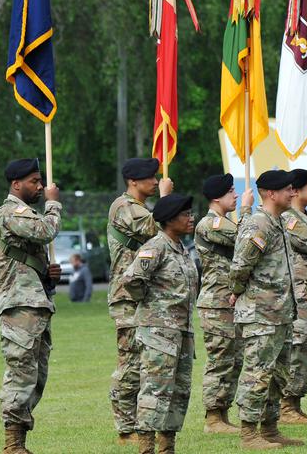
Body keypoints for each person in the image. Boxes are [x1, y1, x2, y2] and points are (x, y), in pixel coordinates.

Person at [0, 158, 62, 454]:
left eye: (41, 181)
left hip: (34, 303)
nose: (41, 186)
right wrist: (54, 204)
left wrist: (48, 274)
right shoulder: (10, 213)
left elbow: (26, 262)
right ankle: (12, 446)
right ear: (16, 184)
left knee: (36, 376)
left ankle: (19, 443)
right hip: (18, 305)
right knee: (21, 373)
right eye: (34, 181)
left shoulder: (25, 214)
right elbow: (46, 230)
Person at [120, 193, 198, 454]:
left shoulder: (180, 248)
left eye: (191, 213)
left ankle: (167, 448)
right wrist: (152, 304)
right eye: (186, 214)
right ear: (169, 219)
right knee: (155, 391)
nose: (191, 218)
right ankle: (146, 448)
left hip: (182, 331)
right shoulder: (156, 246)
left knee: (179, 391)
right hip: (159, 332)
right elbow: (132, 279)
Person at [230, 170, 302, 449]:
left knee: (277, 375)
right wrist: (236, 293)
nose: (292, 193)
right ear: (271, 193)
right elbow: (240, 267)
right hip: (261, 314)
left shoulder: (278, 222)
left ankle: (270, 429)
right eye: (288, 189)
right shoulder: (258, 224)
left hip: (280, 312)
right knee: (257, 374)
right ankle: (249, 433)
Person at [106, 157, 172, 445]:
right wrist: (168, 199)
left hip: (143, 296)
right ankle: (125, 427)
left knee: (147, 362)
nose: (156, 182)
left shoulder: (139, 207)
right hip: (126, 297)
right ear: (133, 181)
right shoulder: (124, 207)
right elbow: (153, 227)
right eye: (151, 178)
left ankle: (141, 423)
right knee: (130, 362)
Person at [195, 173, 253, 434]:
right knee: (221, 359)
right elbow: (247, 238)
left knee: (233, 359)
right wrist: (248, 210)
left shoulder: (223, 222)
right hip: (216, 302)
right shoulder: (211, 224)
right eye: (231, 191)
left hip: (228, 301)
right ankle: (213, 417)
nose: (237, 195)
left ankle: (222, 412)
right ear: (217, 197)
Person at [280, 168, 307, 424]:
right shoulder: (289, 219)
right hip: (298, 293)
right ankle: (287, 404)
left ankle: (295, 401)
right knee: (298, 346)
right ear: (295, 191)